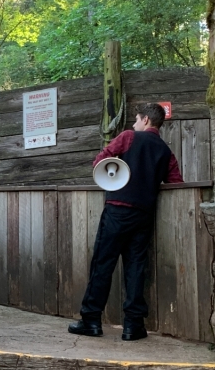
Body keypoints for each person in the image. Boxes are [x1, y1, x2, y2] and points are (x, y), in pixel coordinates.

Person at [68, 102, 183, 341]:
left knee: (103, 264)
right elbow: (176, 184)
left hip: (117, 211)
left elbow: (100, 162)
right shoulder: (165, 151)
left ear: (146, 120)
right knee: (135, 269)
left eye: (137, 119)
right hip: (144, 215)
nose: (134, 123)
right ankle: (133, 326)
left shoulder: (129, 137)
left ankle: (91, 320)